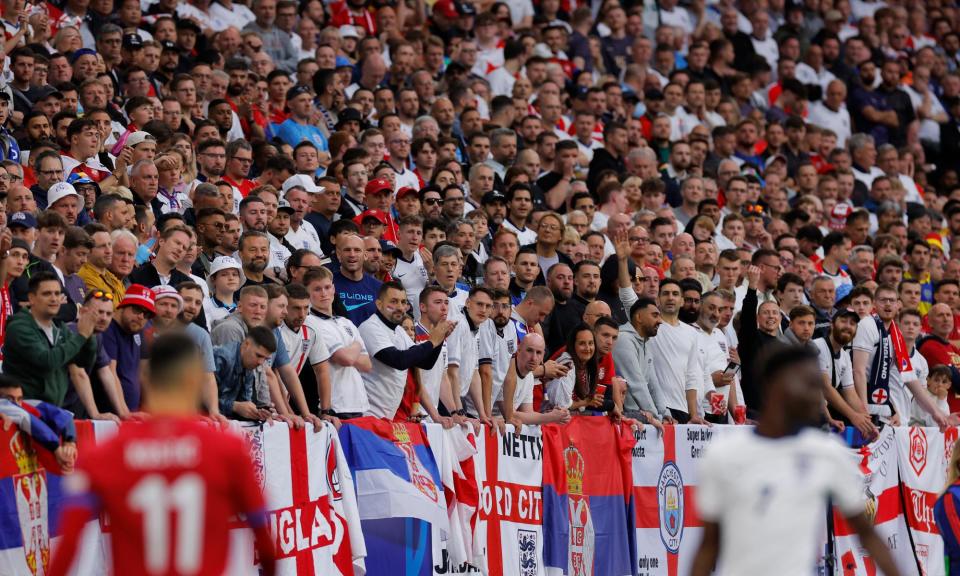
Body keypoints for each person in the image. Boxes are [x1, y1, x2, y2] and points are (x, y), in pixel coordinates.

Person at [49, 332, 277, 576]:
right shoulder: (228, 450)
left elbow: (68, 546)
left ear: (145, 377)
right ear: (193, 380)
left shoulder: (102, 455)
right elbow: (264, 541)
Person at [691, 344, 901, 576]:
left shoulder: (826, 453)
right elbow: (708, 546)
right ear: (774, 386)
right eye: (809, 385)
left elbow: (868, 535)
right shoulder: (724, 454)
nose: (817, 397)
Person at [358, 281, 454, 419]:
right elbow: (399, 361)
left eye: (403, 302)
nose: (400, 307)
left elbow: (425, 363)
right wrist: (433, 340)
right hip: (367, 414)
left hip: (387, 416)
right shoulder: (370, 327)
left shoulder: (399, 331)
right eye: (394, 301)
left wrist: (439, 339)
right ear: (379, 304)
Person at [5, 271, 98, 406]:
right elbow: (47, 361)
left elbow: (83, 361)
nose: (54, 299)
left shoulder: (59, 327)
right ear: (31, 298)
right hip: (24, 407)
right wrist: (82, 335)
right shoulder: (19, 327)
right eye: (47, 294)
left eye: (57, 293)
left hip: (52, 408)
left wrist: (89, 334)